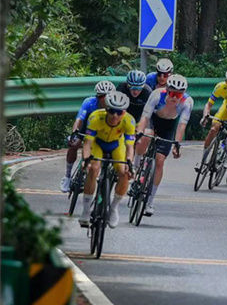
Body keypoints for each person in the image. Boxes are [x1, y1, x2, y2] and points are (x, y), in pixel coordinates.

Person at [134, 75, 193, 216]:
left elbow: (181, 126)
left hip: (168, 126)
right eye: (172, 93)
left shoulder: (187, 102)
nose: (175, 97)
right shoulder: (156, 95)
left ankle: (150, 201)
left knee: (160, 161)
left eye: (179, 94)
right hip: (153, 120)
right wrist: (139, 132)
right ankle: (136, 167)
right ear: (166, 90)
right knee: (146, 135)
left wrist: (177, 145)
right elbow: (145, 117)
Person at [78, 91, 135, 229]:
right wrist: (86, 161)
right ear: (106, 109)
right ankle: (86, 211)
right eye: (112, 111)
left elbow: (129, 147)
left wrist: (129, 163)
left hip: (116, 145)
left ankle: (114, 208)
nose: (115, 115)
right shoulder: (95, 117)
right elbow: (87, 144)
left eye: (119, 112)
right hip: (98, 144)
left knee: (124, 173)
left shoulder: (129, 121)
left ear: (124, 112)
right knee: (93, 169)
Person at [62, 80, 115, 193]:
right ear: (97, 96)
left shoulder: (116, 106)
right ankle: (67, 176)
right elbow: (79, 120)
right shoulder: (89, 102)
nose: (104, 100)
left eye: (107, 96)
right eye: (101, 96)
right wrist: (74, 133)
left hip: (105, 132)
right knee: (73, 144)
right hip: (88, 128)